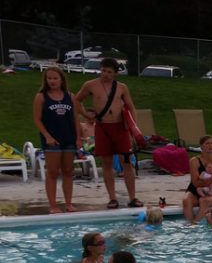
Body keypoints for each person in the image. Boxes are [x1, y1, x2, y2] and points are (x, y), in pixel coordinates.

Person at [75, 57, 142, 209]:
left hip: (120, 127)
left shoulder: (121, 87)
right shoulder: (91, 85)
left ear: (115, 73)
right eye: (103, 70)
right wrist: (86, 115)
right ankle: (112, 198)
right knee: (106, 163)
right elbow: (76, 100)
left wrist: (133, 128)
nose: (105, 74)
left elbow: (131, 107)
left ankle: (132, 197)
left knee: (126, 162)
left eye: (109, 72)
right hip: (103, 127)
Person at [34, 66, 84, 213]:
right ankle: (53, 205)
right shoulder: (41, 97)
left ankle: (69, 203)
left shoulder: (70, 96)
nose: (52, 81)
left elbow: (75, 118)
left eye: (55, 78)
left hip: (68, 137)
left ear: (61, 79)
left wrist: (78, 137)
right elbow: (37, 119)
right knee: (53, 172)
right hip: (51, 140)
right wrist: (47, 136)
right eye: (49, 78)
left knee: (68, 171)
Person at [183, 135, 212, 224]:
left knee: (205, 201)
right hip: (195, 191)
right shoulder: (194, 161)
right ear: (201, 146)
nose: (210, 146)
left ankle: (195, 224)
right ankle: (189, 222)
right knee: (186, 200)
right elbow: (195, 183)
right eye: (207, 143)